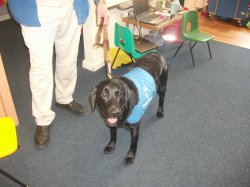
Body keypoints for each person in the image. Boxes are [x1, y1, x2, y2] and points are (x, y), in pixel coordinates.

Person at [8, 0, 110, 148]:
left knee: (69, 58)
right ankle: (43, 119)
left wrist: (100, 2)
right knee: (41, 68)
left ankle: (64, 97)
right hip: (38, 9)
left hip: (71, 6)